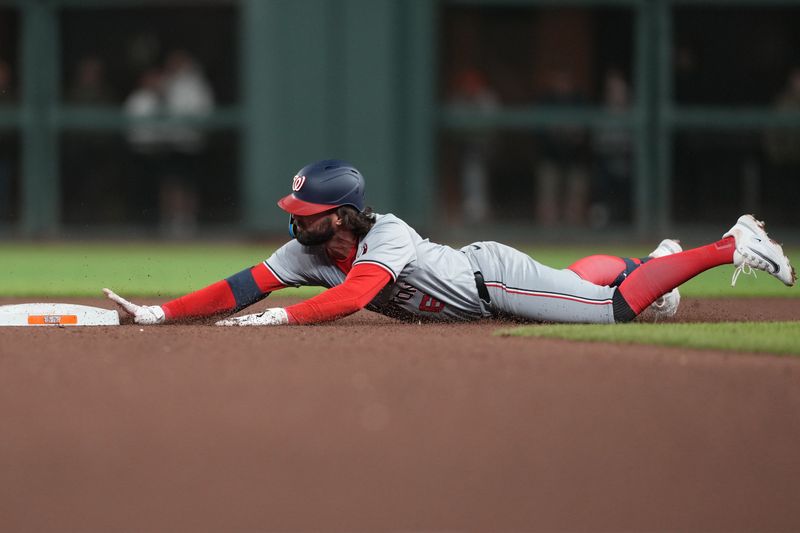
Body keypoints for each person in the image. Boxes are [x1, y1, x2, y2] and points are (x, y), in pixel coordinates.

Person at [103, 159, 796, 327]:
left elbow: (355, 297)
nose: (295, 220)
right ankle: (656, 262)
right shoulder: (309, 251)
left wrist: (277, 318)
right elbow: (240, 285)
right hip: (491, 282)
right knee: (586, 281)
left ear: (341, 215)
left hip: (490, 284)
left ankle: (726, 246)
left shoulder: (389, 234)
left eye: (307, 212)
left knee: (615, 310)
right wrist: (157, 312)